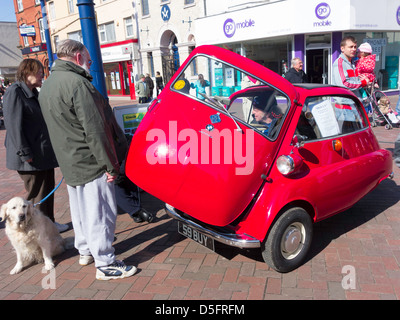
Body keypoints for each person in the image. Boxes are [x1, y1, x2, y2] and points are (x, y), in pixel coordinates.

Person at [38, 39, 137, 280]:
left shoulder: (49, 84)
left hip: (70, 160)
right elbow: (96, 130)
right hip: (91, 161)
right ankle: (105, 263)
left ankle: (85, 250)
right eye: (89, 60)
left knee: (81, 211)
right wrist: (110, 165)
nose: (90, 64)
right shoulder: (78, 84)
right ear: (79, 57)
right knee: (99, 212)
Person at [2, 59, 69, 233]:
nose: (42, 75)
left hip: (42, 153)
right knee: (36, 194)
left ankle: (49, 224)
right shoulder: (15, 92)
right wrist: (24, 152)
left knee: (46, 191)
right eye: (39, 71)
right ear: (27, 72)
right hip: (30, 156)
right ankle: (35, 230)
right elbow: (13, 125)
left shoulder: (33, 92)